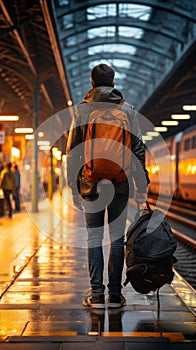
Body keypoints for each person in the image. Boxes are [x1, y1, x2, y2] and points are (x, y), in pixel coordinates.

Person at [66, 64, 150, 309]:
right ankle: (115, 294)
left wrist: (74, 186)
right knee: (116, 238)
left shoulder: (83, 110)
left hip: (91, 183)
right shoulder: (127, 110)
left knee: (94, 238)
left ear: (92, 83)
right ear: (113, 83)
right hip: (120, 183)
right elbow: (137, 150)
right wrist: (141, 183)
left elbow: (73, 152)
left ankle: (96, 294)